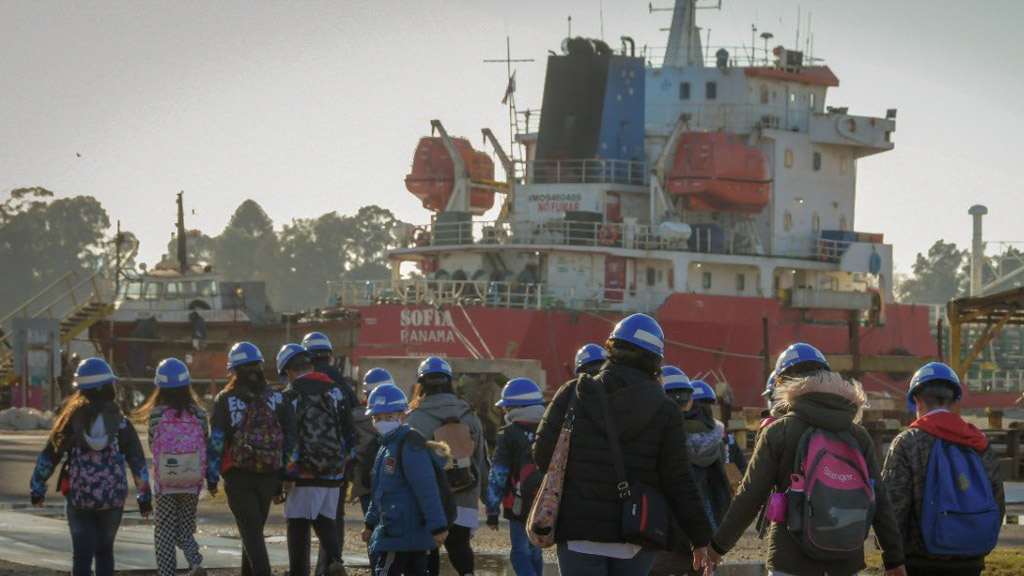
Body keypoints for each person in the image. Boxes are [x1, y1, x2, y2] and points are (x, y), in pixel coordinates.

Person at [533, 314, 713, 576]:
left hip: (578, 534)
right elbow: (678, 480)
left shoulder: (573, 394)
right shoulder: (665, 410)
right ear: (655, 360)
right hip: (637, 532)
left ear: (611, 348)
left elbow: (542, 455)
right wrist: (700, 538)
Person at [706, 342, 907, 576]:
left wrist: (717, 548)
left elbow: (750, 496)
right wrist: (893, 558)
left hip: (791, 561)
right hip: (846, 559)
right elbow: (879, 499)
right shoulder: (857, 435)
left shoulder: (779, 432)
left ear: (781, 384)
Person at [30, 358, 152, 576]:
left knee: (82, 557)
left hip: (79, 498)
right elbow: (138, 464)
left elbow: (49, 456)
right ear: (110, 387)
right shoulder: (122, 425)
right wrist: (144, 500)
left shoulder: (70, 422)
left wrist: (37, 489)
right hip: (112, 500)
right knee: (105, 553)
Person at [882, 362, 1004, 576]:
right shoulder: (980, 443)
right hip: (971, 560)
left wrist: (891, 558)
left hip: (919, 561)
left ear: (917, 402)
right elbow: (997, 503)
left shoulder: (907, 442)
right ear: (956, 402)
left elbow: (893, 505)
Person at [208, 342, 295, 576]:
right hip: (270, 474)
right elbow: (291, 438)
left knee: (252, 534)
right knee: (252, 531)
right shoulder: (278, 398)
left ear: (234, 371)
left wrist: (211, 474)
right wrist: (287, 473)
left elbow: (217, 438)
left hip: (237, 475)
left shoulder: (225, 399)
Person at [405, 356, 488, 576]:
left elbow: (410, 463)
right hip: (465, 493)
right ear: (449, 381)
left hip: (429, 497)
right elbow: (481, 458)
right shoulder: (469, 414)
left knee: (428, 549)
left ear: (420, 384)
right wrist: (488, 499)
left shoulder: (414, 418)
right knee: (460, 547)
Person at [278, 343, 351, 576]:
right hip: (334, 470)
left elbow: (290, 439)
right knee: (325, 520)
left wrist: (288, 474)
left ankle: (299, 572)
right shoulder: (336, 391)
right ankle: (335, 561)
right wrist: (344, 469)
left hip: (304, 473)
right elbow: (348, 432)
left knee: (297, 525)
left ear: (288, 372)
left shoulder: (290, 396)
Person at [361, 384, 449, 576]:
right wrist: (370, 523)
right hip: (398, 530)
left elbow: (426, 489)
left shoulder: (408, 446)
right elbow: (381, 492)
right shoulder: (386, 447)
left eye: (388, 417)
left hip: (398, 534)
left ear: (403, 415)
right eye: (377, 418)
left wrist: (438, 526)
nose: (382, 422)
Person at [135, 358, 209, 576]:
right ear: (188, 386)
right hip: (192, 479)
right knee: (185, 528)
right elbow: (206, 441)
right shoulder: (200, 414)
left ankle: (167, 573)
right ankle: (195, 562)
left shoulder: (157, 414)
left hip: (166, 480)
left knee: (165, 531)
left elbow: (153, 445)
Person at [301, 332, 359, 576]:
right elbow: (356, 418)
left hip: (306, 463)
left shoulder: (302, 383)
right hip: (338, 462)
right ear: (329, 354)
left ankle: (301, 568)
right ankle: (329, 565)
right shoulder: (342, 383)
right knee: (334, 517)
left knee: (301, 519)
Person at [486, 378, 547, 576]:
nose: (505, 413)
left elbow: (498, 474)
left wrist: (492, 511)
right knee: (536, 552)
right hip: (547, 502)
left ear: (514, 408)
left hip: (518, 503)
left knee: (520, 552)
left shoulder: (509, 434)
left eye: (506, 409)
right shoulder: (550, 430)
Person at [352, 368, 395, 515]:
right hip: (393, 481)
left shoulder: (354, 418)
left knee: (371, 526)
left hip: (365, 484)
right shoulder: (399, 417)